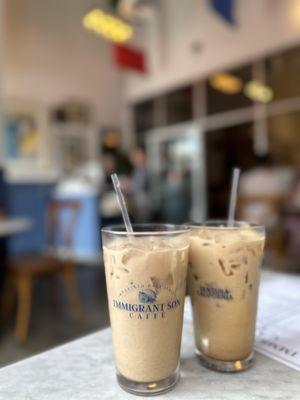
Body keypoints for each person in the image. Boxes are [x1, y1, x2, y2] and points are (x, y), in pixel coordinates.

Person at [129, 147, 151, 222]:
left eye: (135, 156)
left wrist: (128, 185)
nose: (133, 158)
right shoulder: (138, 168)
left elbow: (138, 186)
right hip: (140, 204)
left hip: (143, 205)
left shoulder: (142, 168)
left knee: (142, 225)